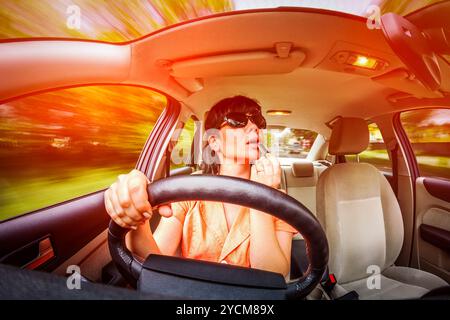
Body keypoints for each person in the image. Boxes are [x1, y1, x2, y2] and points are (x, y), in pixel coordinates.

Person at [104, 95, 297, 277]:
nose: (254, 127)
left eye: (257, 120)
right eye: (238, 120)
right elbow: (153, 260)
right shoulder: (189, 192)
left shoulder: (278, 199)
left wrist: (261, 199)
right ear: (214, 142)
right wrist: (137, 215)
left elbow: (274, 275)